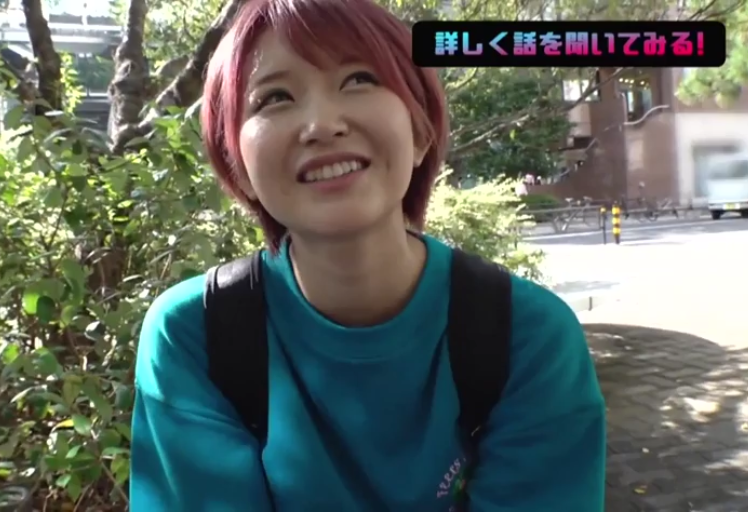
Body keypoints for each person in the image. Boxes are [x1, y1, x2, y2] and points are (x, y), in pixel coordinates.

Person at [130, 0, 606, 510]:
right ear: (238, 169)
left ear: (420, 131)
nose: (321, 124)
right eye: (274, 98)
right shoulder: (196, 335)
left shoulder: (527, 338)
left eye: (359, 79)